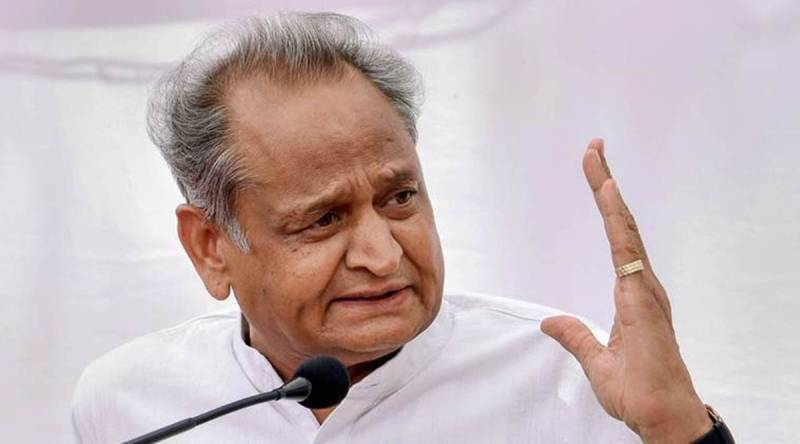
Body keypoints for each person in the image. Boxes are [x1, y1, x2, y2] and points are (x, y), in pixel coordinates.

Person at [72, 12, 733, 443]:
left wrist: (681, 432)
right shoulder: (128, 404)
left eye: (399, 198)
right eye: (323, 219)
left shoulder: (571, 381)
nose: (383, 256)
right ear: (211, 247)